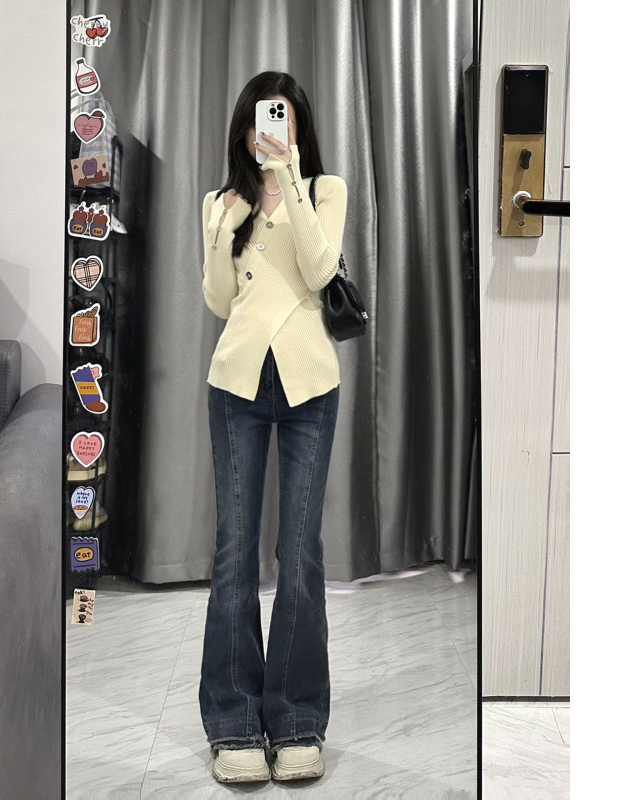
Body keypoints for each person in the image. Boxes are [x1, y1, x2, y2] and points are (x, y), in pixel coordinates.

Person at [199, 71, 347, 784]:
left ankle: (296, 720)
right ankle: (232, 722)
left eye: (283, 118)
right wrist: (224, 227)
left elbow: (318, 272)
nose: (271, 129)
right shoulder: (220, 202)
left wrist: (287, 174)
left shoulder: (325, 190)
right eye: (263, 118)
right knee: (234, 551)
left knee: (300, 552)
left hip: (309, 383)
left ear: (298, 125)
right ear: (244, 125)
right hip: (237, 384)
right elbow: (219, 301)